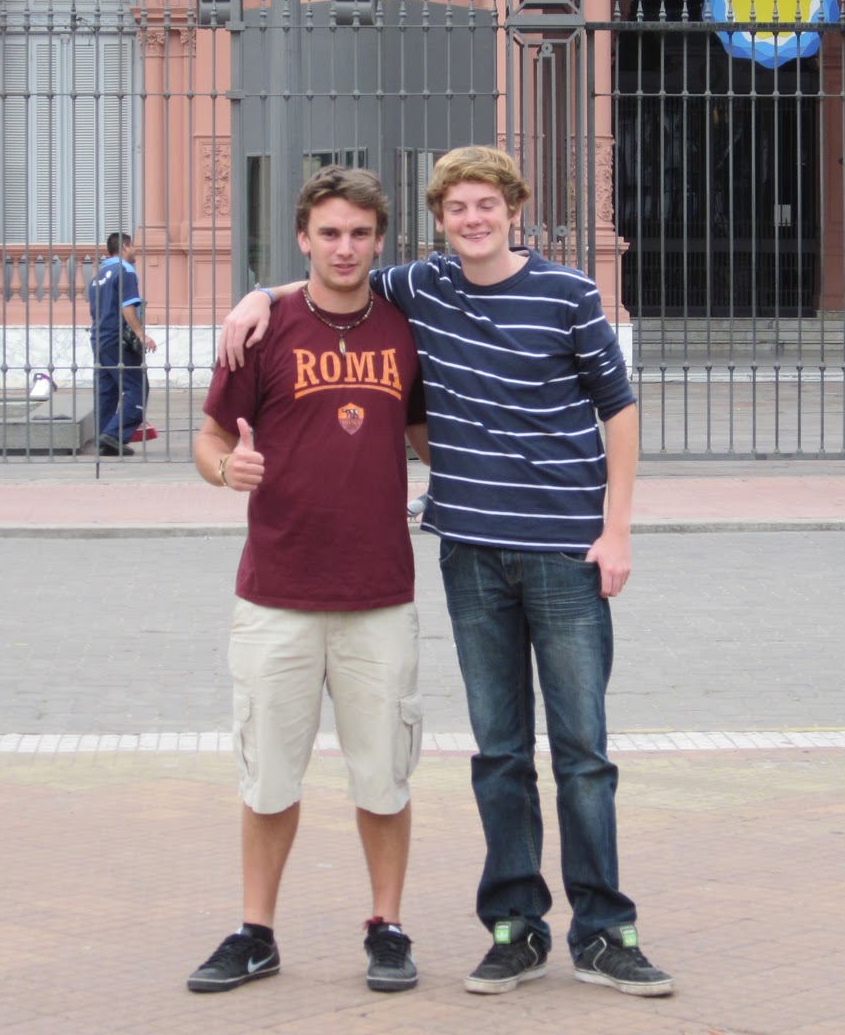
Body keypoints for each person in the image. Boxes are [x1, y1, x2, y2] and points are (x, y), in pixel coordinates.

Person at [220, 146, 673, 998]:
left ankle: (604, 931)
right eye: (457, 207)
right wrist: (258, 296)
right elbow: (331, 276)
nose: (473, 219)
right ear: (438, 220)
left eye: (487, 205)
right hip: (469, 552)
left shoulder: (570, 296)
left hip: (564, 552)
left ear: (514, 210)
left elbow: (619, 410)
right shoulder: (422, 286)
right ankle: (515, 927)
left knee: (582, 753)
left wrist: (617, 532)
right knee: (499, 752)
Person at [188, 167, 430, 996]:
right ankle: (256, 933)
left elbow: (427, 437)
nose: (344, 248)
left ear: (380, 240)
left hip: (379, 594)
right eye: (329, 233)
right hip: (277, 592)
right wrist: (228, 470)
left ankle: (387, 927)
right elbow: (209, 439)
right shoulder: (263, 330)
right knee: (268, 779)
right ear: (303, 238)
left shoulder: (405, 327)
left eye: (360, 233)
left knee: (384, 777)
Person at [86, 232, 156, 456]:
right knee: (137, 388)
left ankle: (104, 441)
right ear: (125, 246)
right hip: (118, 339)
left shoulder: (97, 277)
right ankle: (114, 435)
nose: (135, 250)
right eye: (132, 245)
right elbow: (128, 307)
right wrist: (141, 334)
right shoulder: (125, 270)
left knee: (106, 391)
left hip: (99, 338)